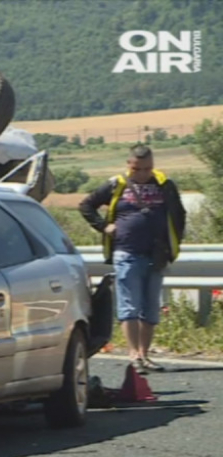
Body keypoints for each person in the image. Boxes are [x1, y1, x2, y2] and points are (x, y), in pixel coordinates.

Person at [79, 144, 186, 374]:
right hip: (126, 253)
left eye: (148, 168)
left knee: (150, 308)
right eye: (138, 169)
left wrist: (172, 244)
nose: (143, 173)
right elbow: (86, 205)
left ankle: (145, 355)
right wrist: (103, 226)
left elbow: (179, 214)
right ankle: (133, 354)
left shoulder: (164, 185)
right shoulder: (116, 184)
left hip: (156, 255)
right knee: (130, 306)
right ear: (129, 165)